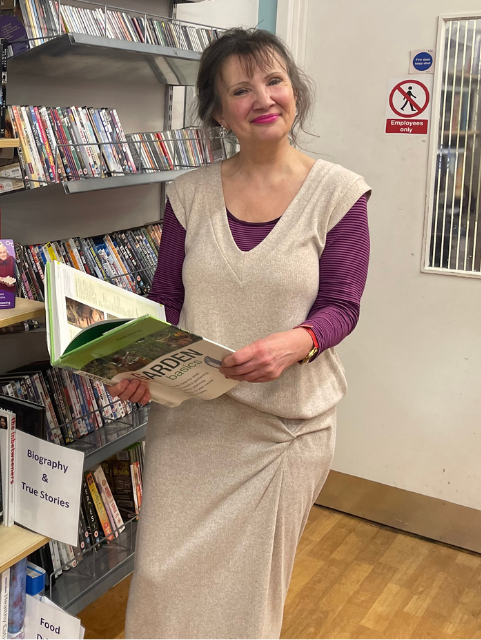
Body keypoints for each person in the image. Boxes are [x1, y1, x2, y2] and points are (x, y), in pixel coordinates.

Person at [110, 28, 371, 639]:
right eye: (241, 89)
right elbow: (168, 297)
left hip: (284, 429)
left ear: (294, 93)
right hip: (191, 425)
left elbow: (342, 305)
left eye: (274, 81)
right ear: (218, 109)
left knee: (247, 601)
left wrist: (299, 341)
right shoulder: (188, 194)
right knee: (159, 578)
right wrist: (140, 362)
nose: (263, 98)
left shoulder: (339, 193)